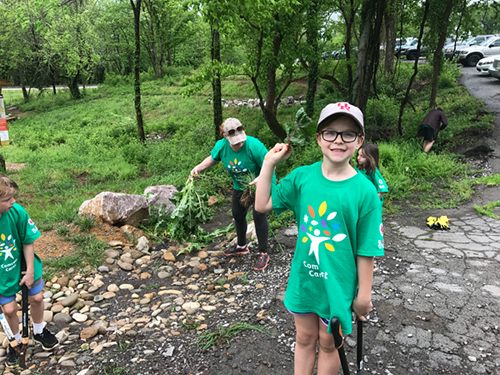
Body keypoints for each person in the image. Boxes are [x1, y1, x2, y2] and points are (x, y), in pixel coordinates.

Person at [255, 102, 384, 374]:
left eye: (348, 134)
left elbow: (366, 248)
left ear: (359, 141)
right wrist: (268, 164)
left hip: (338, 282)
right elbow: (262, 204)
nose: (338, 140)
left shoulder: (365, 191)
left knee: (330, 342)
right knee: (303, 338)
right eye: (330, 132)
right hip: (305, 279)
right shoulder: (303, 177)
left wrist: (364, 294)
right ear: (318, 138)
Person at [191, 118, 271, 271]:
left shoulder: (254, 146)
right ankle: (241, 246)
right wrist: (198, 168)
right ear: (225, 137)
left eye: (240, 140)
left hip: (261, 183)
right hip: (240, 186)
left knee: (258, 215)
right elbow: (213, 159)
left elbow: (270, 166)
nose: (238, 144)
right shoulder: (221, 146)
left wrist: (260, 179)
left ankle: (263, 252)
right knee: (237, 214)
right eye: (234, 142)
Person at [0, 175, 59, 368]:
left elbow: (27, 241)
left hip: (23, 265)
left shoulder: (16, 212)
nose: (13, 202)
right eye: (8, 199)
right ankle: (15, 342)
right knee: (9, 310)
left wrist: (31, 271)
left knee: (37, 298)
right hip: (2, 274)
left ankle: (40, 330)